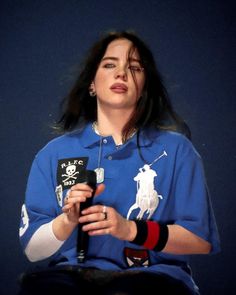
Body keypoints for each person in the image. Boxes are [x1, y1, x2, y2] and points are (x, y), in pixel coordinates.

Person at [18, 30, 220, 295]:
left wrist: (129, 229)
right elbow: (33, 251)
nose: (121, 73)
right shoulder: (53, 154)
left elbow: (200, 240)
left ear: (144, 87)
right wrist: (67, 221)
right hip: (69, 278)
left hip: (153, 278)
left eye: (134, 68)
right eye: (110, 64)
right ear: (92, 82)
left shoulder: (177, 150)